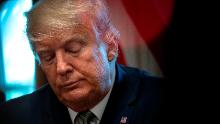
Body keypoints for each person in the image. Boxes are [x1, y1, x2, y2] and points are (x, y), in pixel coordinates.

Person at [0, 0, 169, 124]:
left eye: (73, 49)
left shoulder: (160, 102)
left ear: (111, 47)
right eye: (48, 57)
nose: (61, 68)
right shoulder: (14, 116)